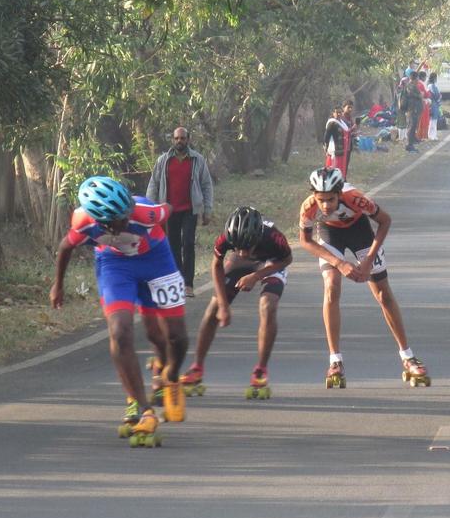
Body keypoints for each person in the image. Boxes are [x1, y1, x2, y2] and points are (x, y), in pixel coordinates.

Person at [51, 176, 189, 446]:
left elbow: (169, 210)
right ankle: (142, 407)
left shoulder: (145, 212)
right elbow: (64, 248)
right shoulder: (83, 223)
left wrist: (169, 253)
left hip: (157, 259)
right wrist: (58, 285)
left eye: (127, 214)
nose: (127, 220)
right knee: (119, 331)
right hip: (115, 265)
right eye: (120, 220)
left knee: (175, 338)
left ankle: (170, 377)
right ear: (102, 222)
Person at [298, 167, 430, 389]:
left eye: (330, 199)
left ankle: (408, 357)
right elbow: (305, 241)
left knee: (382, 294)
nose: (325, 205)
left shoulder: (355, 198)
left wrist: (369, 259)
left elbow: (385, 221)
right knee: (331, 288)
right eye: (321, 200)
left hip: (359, 231)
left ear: (339, 193)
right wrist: (340, 263)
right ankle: (335, 361)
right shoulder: (309, 207)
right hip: (330, 234)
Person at [180, 206, 292, 399]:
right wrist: (224, 306)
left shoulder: (274, 237)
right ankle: (196, 367)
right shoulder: (226, 237)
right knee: (214, 307)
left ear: (257, 238)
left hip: (271, 262)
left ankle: (260, 370)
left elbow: (286, 260)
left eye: (246, 247)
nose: (241, 252)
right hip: (240, 266)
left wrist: (256, 276)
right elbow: (216, 265)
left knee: (268, 305)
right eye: (237, 246)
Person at [146, 127, 214, 297]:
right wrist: (150, 209)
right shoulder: (164, 160)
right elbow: (153, 184)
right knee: (173, 245)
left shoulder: (197, 160)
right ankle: (178, 282)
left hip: (190, 209)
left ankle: (189, 284)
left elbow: (206, 185)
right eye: (176, 138)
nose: (179, 141)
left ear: (188, 139)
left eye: (182, 138)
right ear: (173, 140)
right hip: (169, 210)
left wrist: (208, 210)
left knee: (188, 243)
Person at [324, 107, 352, 177]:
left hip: (342, 150)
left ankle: (340, 182)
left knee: (341, 169)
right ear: (333, 113)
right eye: (337, 112)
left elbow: (346, 133)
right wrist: (326, 147)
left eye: (340, 112)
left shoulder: (342, 123)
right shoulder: (332, 123)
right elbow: (326, 136)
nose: (339, 114)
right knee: (334, 168)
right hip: (334, 150)